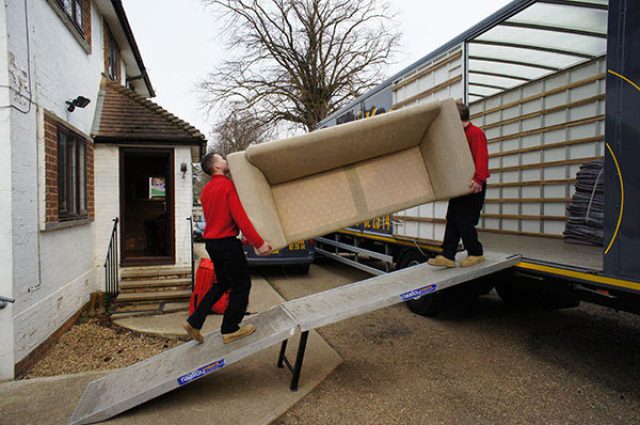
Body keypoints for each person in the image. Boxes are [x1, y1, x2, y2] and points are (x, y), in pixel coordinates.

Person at [183, 152, 272, 344]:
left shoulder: (206, 190)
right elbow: (240, 217)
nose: (226, 160)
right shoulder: (226, 186)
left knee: (222, 284)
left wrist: (243, 240)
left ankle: (194, 322)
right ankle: (230, 329)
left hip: (213, 244)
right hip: (227, 244)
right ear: (216, 167)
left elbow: (219, 219)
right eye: (222, 159)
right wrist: (259, 242)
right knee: (241, 285)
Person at [428, 103, 490, 268]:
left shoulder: (475, 133)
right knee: (452, 218)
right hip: (460, 185)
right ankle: (448, 255)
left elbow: (481, 157)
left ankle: (476, 253)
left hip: (474, 185)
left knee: (465, 220)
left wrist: (478, 179)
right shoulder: (458, 135)